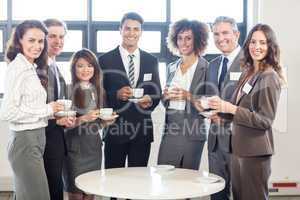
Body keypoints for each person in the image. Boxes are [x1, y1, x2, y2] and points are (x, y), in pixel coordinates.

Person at [208, 24, 285, 200]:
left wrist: (230, 108)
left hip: (255, 152)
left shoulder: (269, 76)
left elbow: (264, 120)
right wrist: (222, 116)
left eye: (263, 43)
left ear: (270, 46)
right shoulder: (249, 73)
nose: (257, 47)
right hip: (238, 149)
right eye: (253, 42)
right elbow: (242, 111)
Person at [0, 20, 63, 200]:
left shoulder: (30, 67)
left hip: (35, 138)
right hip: (25, 141)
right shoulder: (17, 68)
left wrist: (49, 110)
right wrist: (46, 110)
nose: (37, 46)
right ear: (20, 40)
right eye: (31, 40)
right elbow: (7, 112)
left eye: (41, 41)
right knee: (39, 196)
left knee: (27, 195)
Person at [98, 12, 161, 170]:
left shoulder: (151, 60)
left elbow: (157, 92)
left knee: (138, 180)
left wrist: (150, 99)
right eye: (127, 28)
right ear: (120, 30)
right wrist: (116, 95)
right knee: (113, 180)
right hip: (115, 130)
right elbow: (99, 95)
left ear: (141, 32)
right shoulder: (105, 60)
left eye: (136, 29)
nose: (131, 33)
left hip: (142, 131)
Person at [194, 16, 242, 200]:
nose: (220, 38)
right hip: (215, 142)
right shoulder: (212, 65)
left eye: (225, 33)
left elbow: (251, 106)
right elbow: (207, 95)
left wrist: (225, 117)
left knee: (241, 193)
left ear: (236, 34)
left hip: (239, 141)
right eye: (216, 34)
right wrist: (202, 105)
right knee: (217, 194)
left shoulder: (250, 63)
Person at [63, 48, 115, 200]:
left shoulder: (99, 90)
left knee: (90, 194)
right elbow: (63, 126)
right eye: (80, 65)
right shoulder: (68, 89)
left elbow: (96, 125)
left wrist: (106, 123)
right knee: (76, 194)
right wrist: (83, 118)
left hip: (94, 149)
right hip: (74, 151)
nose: (86, 69)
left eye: (90, 65)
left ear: (95, 68)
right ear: (74, 68)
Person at [157, 19, 209, 170]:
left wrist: (188, 96)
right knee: (165, 176)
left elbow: (210, 103)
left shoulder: (206, 67)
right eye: (180, 38)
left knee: (187, 181)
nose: (183, 42)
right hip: (171, 129)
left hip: (193, 131)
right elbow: (165, 101)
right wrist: (165, 96)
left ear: (197, 40)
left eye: (188, 38)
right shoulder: (171, 67)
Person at [43, 18, 75, 200]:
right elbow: (36, 108)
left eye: (61, 36)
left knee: (55, 189)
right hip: (45, 142)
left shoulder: (54, 64)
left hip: (56, 140)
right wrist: (58, 120)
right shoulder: (38, 68)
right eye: (52, 36)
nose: (58, 41)